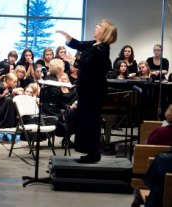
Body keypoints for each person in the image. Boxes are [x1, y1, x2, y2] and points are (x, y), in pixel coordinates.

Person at [57, 19, 117, 163]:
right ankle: (89, 151)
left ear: (105, 32)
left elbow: (91, 66)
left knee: (91, 121)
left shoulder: (103, 48)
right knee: (85, 120)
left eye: (100, 26)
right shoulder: (93, 44)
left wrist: (74, 61)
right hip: (86, 89)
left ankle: (94, 153)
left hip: (93, 91)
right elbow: (79, 44)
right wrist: (67, 37)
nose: (96, 26)